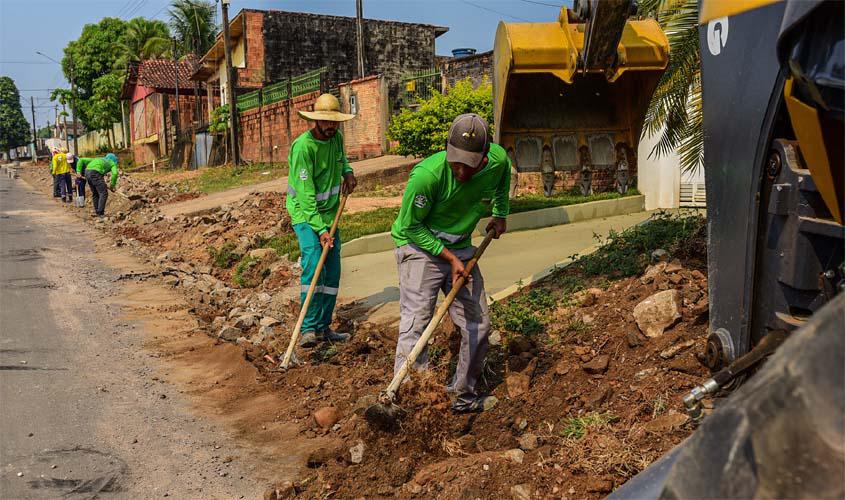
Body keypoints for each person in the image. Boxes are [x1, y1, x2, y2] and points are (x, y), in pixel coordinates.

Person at [390, 113, 510, 413]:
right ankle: (412, 399)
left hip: (460, 247)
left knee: (478, 323)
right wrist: (449, 258)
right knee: (417, 323)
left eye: (469, 164)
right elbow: (411, 228)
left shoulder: (497, 161)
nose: (461, 170)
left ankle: (462, 395)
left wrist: (500, 213)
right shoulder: (427, 176)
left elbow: (502, 178)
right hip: (418, 247)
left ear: (484, 159)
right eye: (455, 161)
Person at [286, 93, 358, 348]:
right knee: (314, 263)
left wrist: (348, 173)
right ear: (315, 121)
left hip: (329, 213)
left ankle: (324, 326)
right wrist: (319, 230)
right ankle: (308, 328)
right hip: (306, 215)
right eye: (326, 122)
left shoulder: (336, 138)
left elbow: (342, 160)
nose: (330, 127)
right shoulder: (303, 147)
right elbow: (305, 196)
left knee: (332, 270)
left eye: (334, 122)